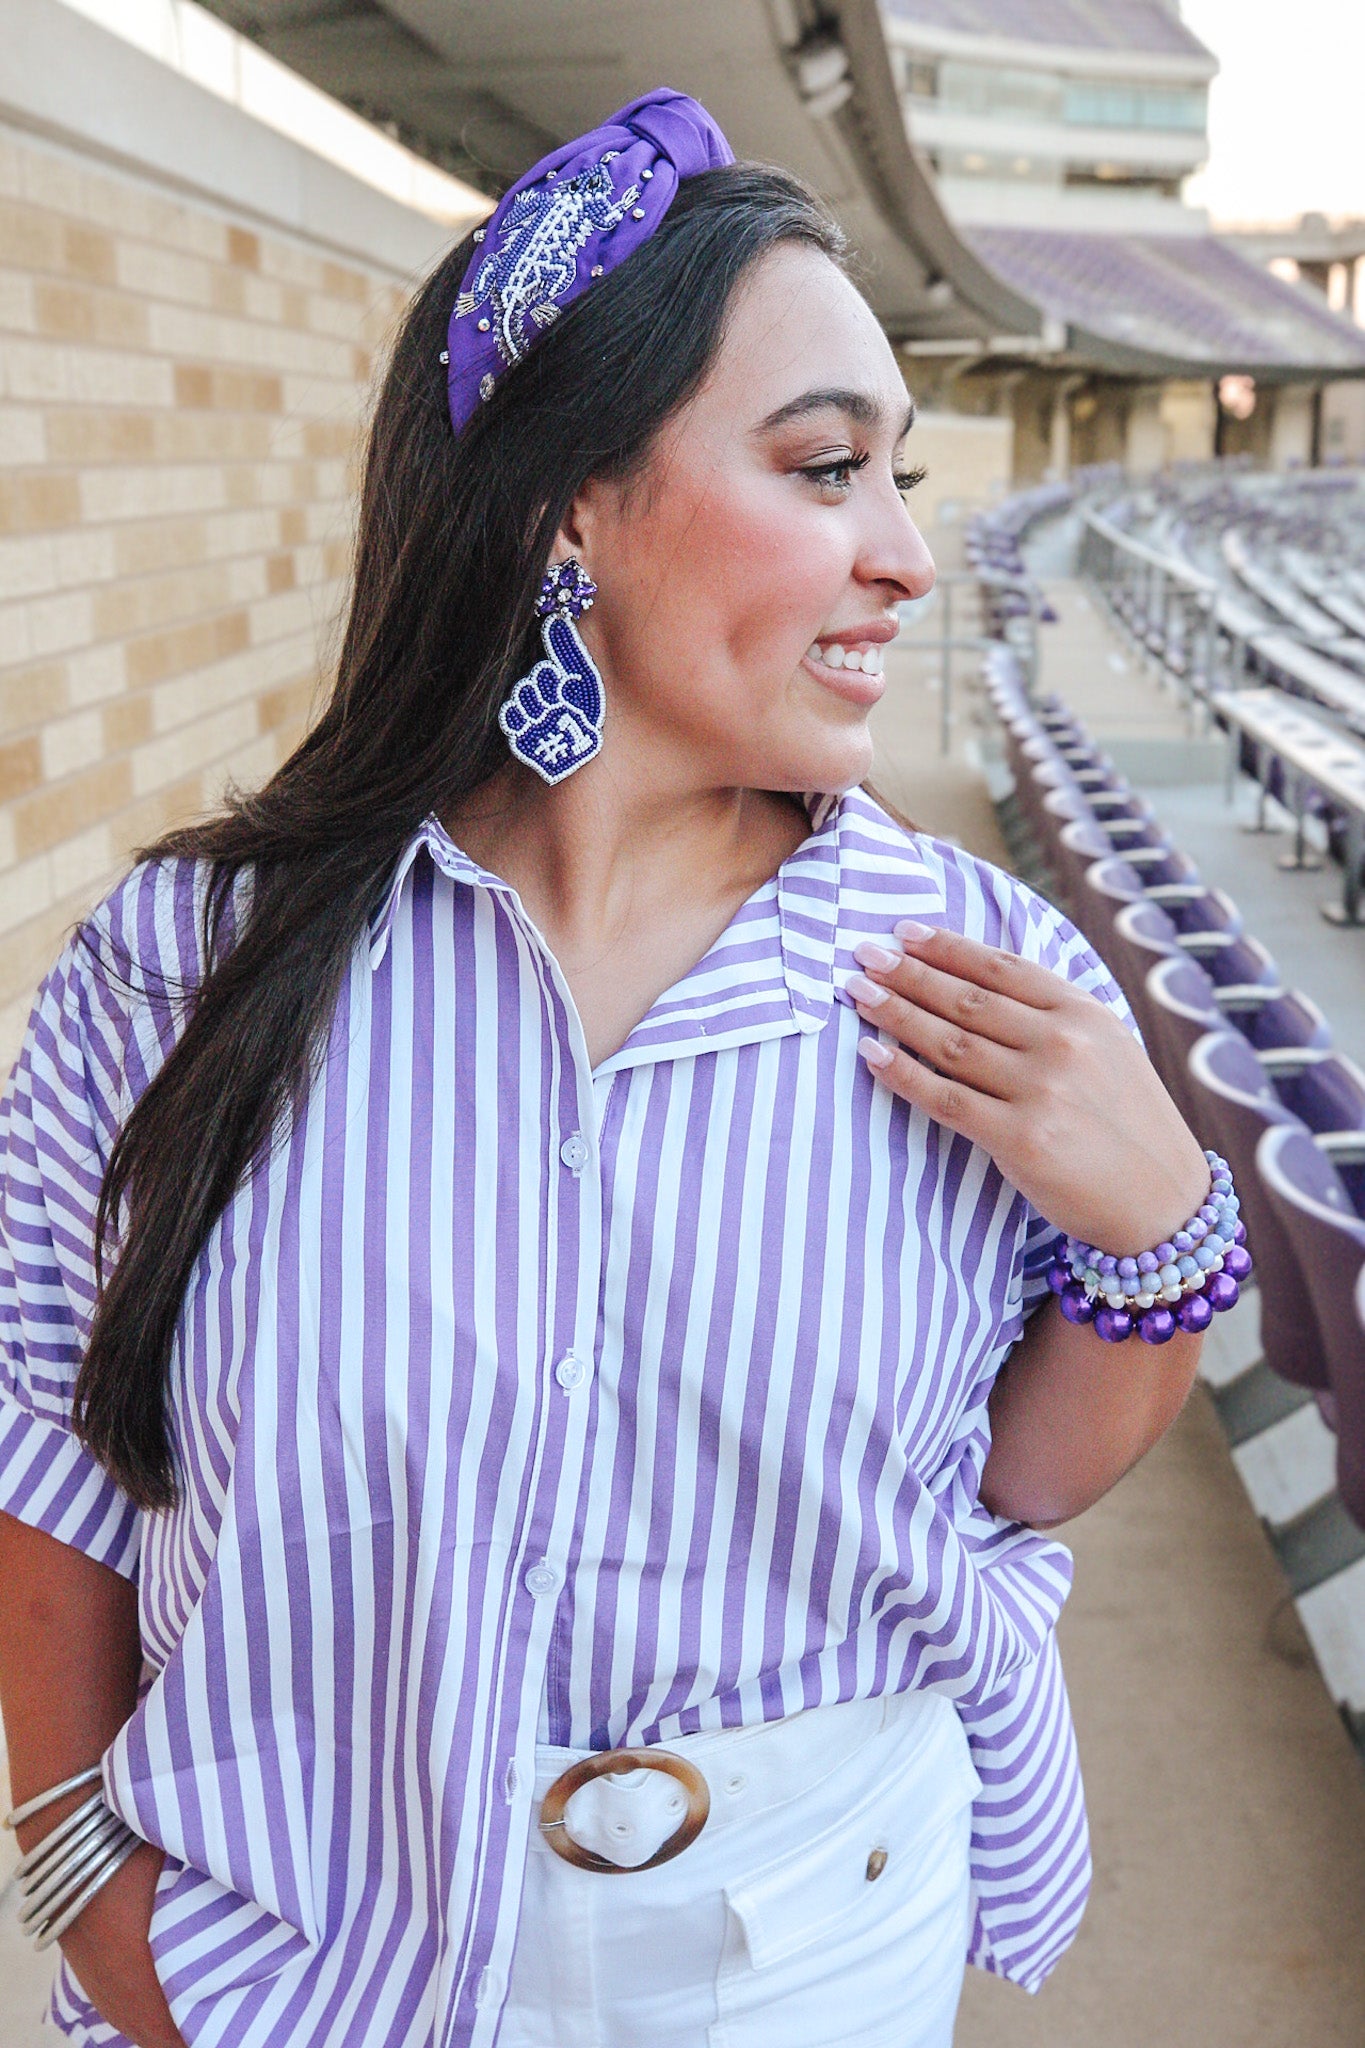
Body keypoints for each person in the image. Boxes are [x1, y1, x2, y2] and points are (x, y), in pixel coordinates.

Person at [0, 89, 1234, 2048]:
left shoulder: (978, 974)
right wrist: (81, 1882)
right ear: (566, 499)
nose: (905, 554)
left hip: (811, 1945)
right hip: (289, 1947)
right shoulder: (181, 969)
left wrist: (1161, 1234)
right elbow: (54, 1454)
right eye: (827, 466)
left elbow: (1010, 1478)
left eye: (896, 476)